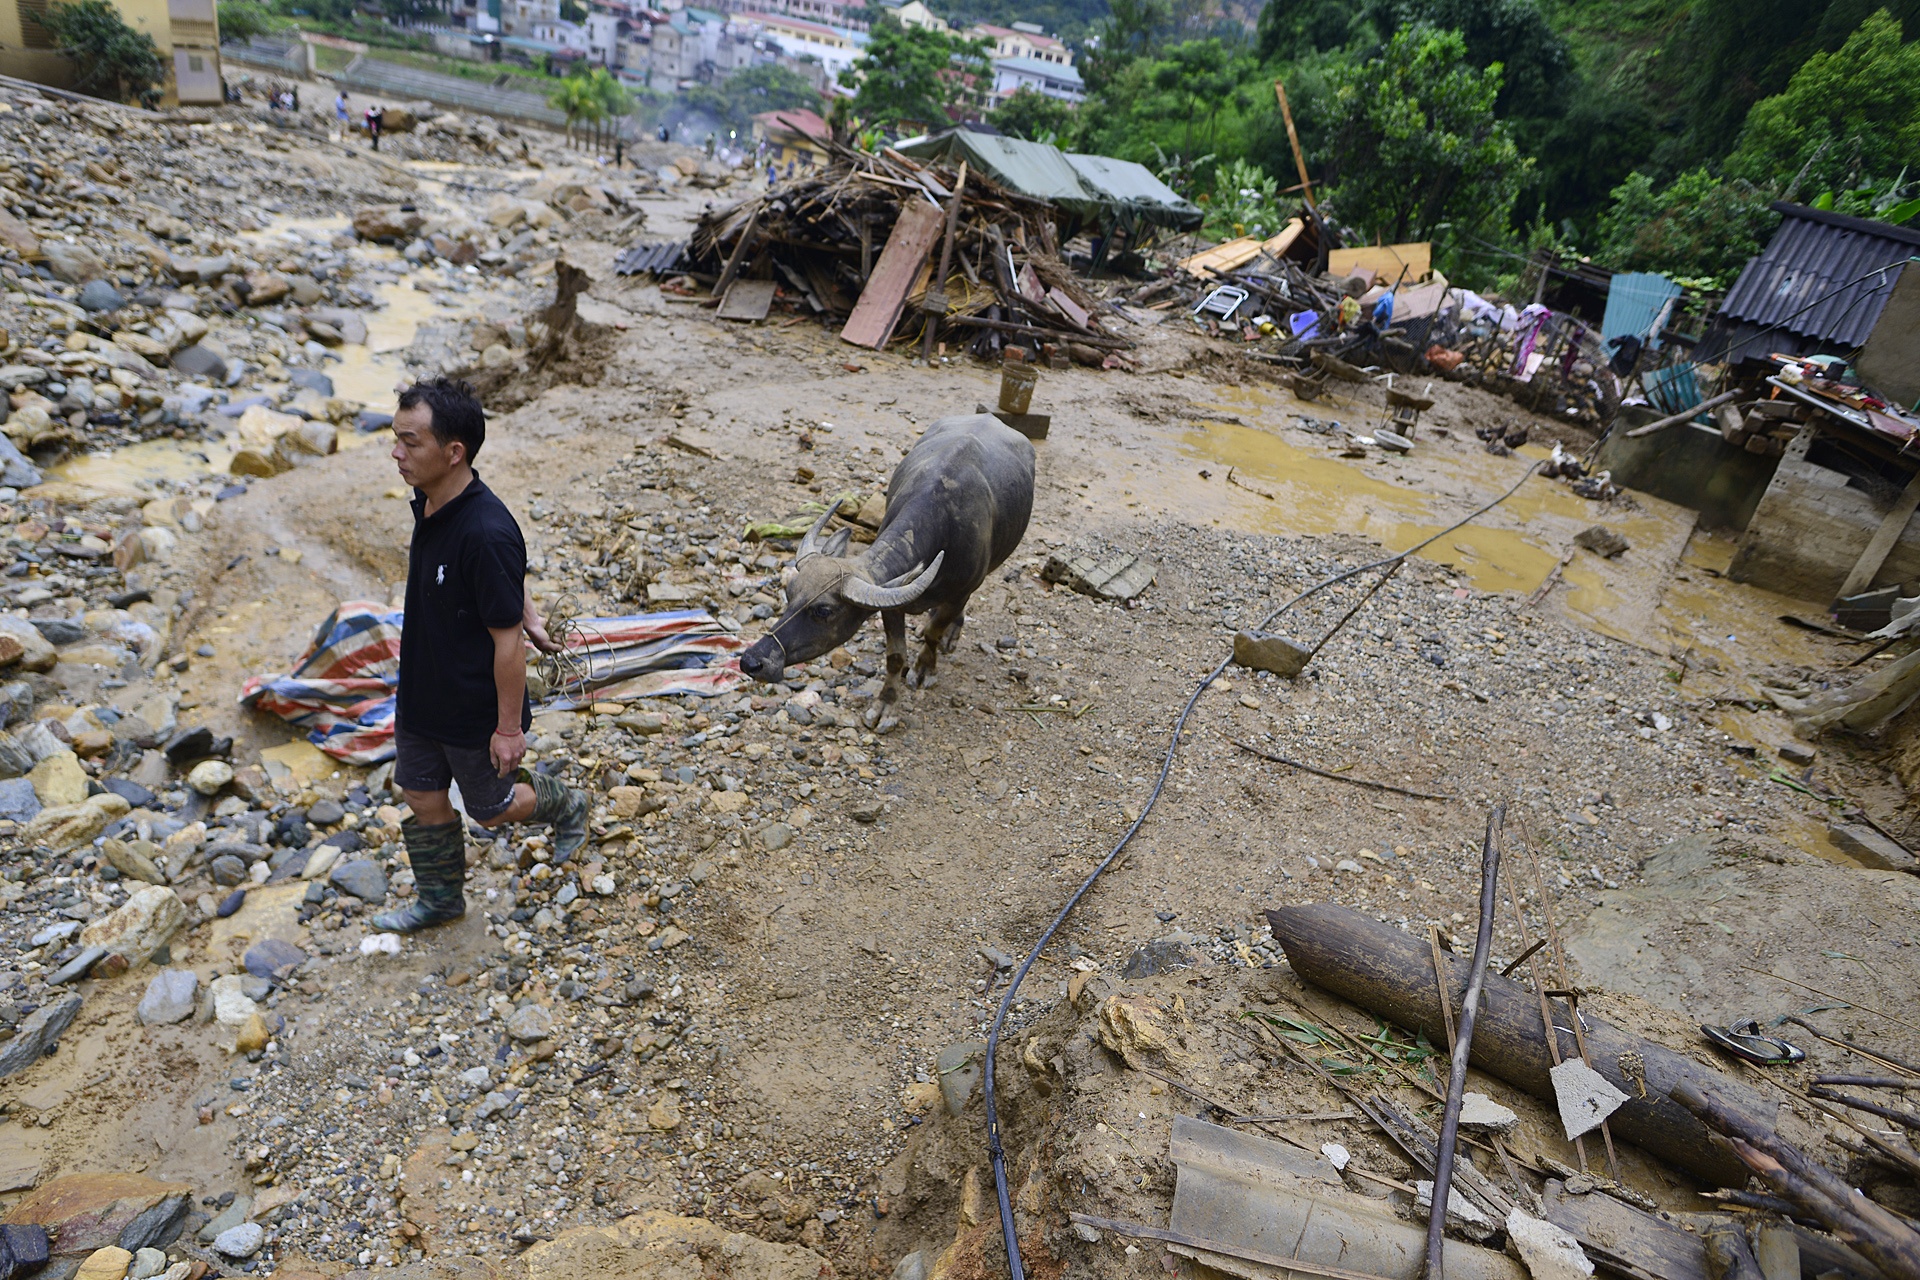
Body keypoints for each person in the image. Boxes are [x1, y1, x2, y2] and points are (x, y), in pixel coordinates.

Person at [373, 377, 586, 935]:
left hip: (474, 707)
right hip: (420, 691)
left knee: (489, 808)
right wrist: (530, 609)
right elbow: (503, 585)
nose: (397, 452)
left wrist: (509, 730)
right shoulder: (429, 497)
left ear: (454, 451)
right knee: (420, 793)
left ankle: (566, 804)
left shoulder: (487, 531)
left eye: (410, 442)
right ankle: (441, 900)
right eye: (395, 438)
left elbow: (507, 643)